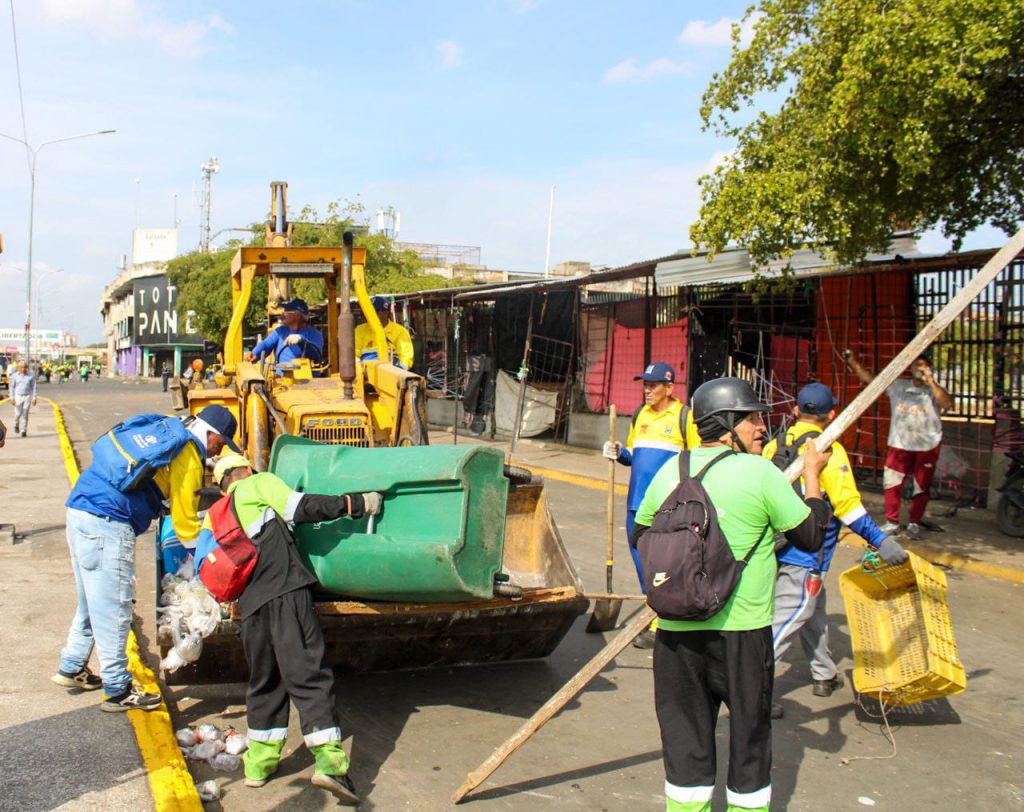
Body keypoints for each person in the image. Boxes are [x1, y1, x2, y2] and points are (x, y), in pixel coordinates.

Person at [632, 377, 830, 812]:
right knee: (749, 741)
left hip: (675, 632)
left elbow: (640, 532)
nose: (762, 426)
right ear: (725, 425)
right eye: (752, 419)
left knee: (684, 741)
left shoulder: (673, 470)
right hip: (741, 633)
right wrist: (812, 475)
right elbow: (812, 534)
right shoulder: (760, 472)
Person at [196, 454, 383, 805]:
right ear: (246, 471)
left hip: (250, 611)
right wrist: (357, 503)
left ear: (221, 484)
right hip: (285, 595)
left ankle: (258, 766)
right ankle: (330, 766)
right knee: (308, 675)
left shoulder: (215, 515)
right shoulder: (258, 483)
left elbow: (203, 566)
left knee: (265, 683)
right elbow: (303, 507)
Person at [54, 405, 241, 710]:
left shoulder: (169, 427)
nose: (218, 451)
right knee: (115, 605)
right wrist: (206, 564)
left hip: (81, 509)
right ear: (211, 434)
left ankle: (72, 665)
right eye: (220, 443)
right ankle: (118, 690)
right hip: (108, 522)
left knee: (93, 598)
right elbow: (184, 525)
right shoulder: (189, 454)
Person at [762, 383, 908, 719]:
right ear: (831, 415)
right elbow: (848, 508)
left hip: (777, 544)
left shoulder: (774, 445)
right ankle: (750, 687)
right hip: (807, 553)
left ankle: (823, 673)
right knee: (789, 619)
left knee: (813, 612)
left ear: (796, 410)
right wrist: (881, 540)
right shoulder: (829, 451)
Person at [602, 362, 699, 648]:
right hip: (636, 503)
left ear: (669, 388)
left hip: (667, 507)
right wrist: (619, 453)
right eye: (645, 384)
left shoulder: (684, 417)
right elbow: (633, 455)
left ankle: (660, 622)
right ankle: (655, 611)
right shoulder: (639, 414)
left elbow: (696, 459)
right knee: (642, 563)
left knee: (662, 564)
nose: (647, 390)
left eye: (653, 385)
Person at [846, 351, 952, 539]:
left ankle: (914, 523)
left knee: (921, 487)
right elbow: (872, 381)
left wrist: (930, 381)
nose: (918, 369)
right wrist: (853, 362)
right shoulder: (899, 386)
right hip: (899, 444)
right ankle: (892, 521)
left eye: (922, 366)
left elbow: (947, 404)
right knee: (892, 483)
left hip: (927, 445)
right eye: (915, 365)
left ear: (929, 368)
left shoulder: (934, 391)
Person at [245, 298, 324, 367]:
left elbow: (315, 355)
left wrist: (301, 341)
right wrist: (255, 353)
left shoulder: (314, 335)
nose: (282, 315)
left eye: (286, 312)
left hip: (308, 380)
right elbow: (266, 344)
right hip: (280, 379)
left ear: (298, 315)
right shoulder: (280, 332)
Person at [354, 295, 414, 370]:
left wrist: (397, 372)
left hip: (392, 374)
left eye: (373, 312)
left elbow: (406, 358)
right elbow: (353, 355)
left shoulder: (400, 332)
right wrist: (360, 370)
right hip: (365, 376)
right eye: (368, 312)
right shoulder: (360, 330)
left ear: (385, 312)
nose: (369, 315)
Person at [9, 361, 38, 438]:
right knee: (18, 414)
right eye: (21, 367)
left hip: (27, 396)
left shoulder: (31, 376)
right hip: (18, 396)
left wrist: (34, 398)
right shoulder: (15, 376)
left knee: (25, 414)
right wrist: (11, 397)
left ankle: (23, 430)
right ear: (18, 368)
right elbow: (12, 387)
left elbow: (34, 387)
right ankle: (16, 424)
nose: (23, 369)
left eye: (25, 367)